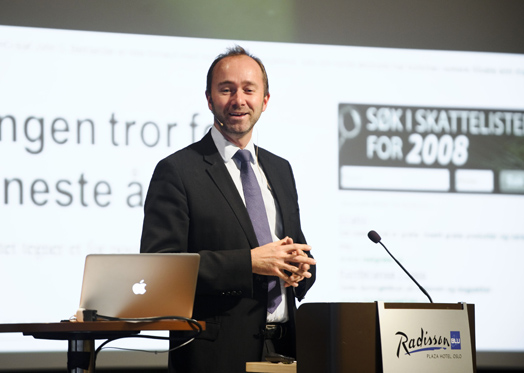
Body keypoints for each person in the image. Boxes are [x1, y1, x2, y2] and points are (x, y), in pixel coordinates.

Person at [140, 45, 316, 373]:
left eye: (249, 89)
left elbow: (293, 247)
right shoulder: (178, 171)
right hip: (214, 355)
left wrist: (301, 268)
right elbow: (159, 268)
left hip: (284, 349)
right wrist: (249, 262)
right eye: (226, 89)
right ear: (209, 99)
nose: (239, 99)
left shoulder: (280, 169)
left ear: (264, 100)